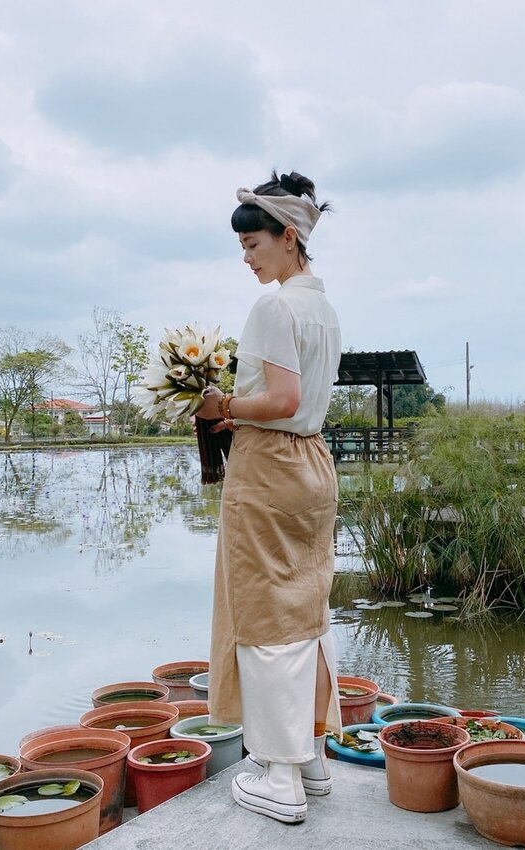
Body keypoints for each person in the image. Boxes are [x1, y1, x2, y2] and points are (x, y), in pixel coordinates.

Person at [196, 170, 342, 824]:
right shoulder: (322, 306)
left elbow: (277, 400)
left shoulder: (273, 305)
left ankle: (278, 778)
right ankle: (308, 757)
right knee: (305, 605)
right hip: (311, 463)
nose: (246, 259)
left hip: (270, 473)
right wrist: (247, 411)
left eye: (253, 245)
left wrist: (223, 404)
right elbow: (296, 405)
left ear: (289, 237)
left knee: (264, 614)